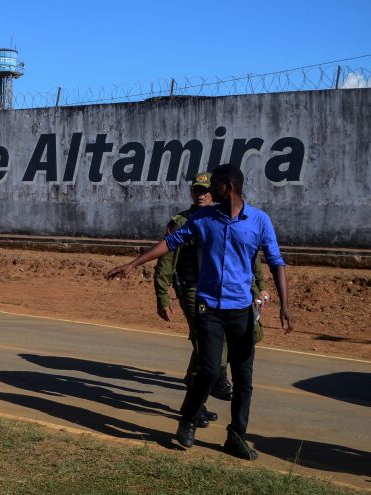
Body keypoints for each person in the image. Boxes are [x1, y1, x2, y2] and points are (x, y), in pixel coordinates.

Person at [107, 164, 292, 460]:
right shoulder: (204, 218)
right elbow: (170, 243)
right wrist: (133, 264)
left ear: (227, 186)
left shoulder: (259, 221)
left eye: (214, 185)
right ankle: (188, 420)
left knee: (244, 378)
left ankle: (236, 435)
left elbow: (275, 261)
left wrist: (285, 304)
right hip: (209, 308)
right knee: (208, 369)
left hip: (241, 310)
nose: (207, 192)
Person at [153, 173, 271, 424]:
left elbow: (250, 256)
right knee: (207, 346)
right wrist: (162, 296)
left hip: (230, 293)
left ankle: (202, 391)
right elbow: (166, 260)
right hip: (196, 291)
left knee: (235, 340)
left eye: (206, 190)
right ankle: (202, 395)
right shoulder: (184, 221)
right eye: (197, 190)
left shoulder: (233, 219)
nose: (202, 194)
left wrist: (259, 286)